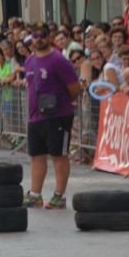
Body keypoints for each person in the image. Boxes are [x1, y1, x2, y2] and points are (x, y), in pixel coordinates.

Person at [23, 26, 81, 210]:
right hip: (35, 117)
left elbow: (74, 87)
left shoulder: (58, 59)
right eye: (35, 35)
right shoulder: (29, 61)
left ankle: (59, 195)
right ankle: (35, 194)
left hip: (58, 116)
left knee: (59, 154)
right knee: (36, 155)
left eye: (42, 35)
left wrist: (64, 103)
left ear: (49, 37)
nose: (38, 39)